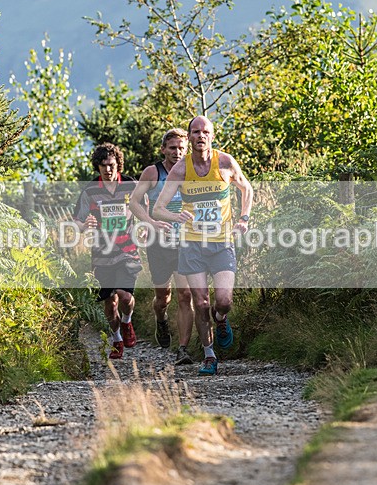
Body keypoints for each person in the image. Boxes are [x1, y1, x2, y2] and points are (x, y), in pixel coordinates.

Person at [152, 116, 253, 375]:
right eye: (195, 132)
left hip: (221, 243)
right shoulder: (180, 170)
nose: (200, 136)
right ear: (190, 137)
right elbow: (158, 209)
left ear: (212, 136)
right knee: (201, 302)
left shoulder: (225, 162)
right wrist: (176, 216)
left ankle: (221, 320)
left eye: (205, 132)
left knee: (224, 300)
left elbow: (247, 189)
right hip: (192, 245)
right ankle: (209, 355)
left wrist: (243, 218)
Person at [129, 128, 195, 365]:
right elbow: (134, 202)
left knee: (185, 294)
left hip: (185, 241)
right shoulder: (153, 172)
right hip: (159, 243)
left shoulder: (192, 170)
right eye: (173, 148)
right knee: (162, 297)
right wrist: (150, 222)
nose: (177, 152)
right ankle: (161, 319)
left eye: (181, 148)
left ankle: (183, 349)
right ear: (163, 149)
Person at [72, 143, 141, 360]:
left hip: (127, 250)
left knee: (125, 296)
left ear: (118, 164)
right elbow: (76, 222)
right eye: (103, 166)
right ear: (98, 167)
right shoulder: (90, 191)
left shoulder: (131, 185)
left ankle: (127, 322)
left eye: (111, 165)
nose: (108, 170)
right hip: (102, 254)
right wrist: (85, 225)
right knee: (110, 303)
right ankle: (117, 339)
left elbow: (145, 211)